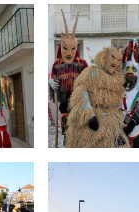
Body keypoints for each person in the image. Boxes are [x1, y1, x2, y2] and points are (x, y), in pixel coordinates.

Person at [65, 47, 128, 148]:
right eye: (112, 57)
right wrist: (88, 115)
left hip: (112, 125)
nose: (116, 62)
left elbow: (117, 103)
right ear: (105, 57)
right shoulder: (92, 72)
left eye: (119, 60)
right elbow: (81, 93)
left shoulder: (118, 78)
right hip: (93, 123)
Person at [50, 10, 88, 142]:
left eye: (73, 49)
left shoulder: (82, 64)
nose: (69, 52)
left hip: (79, 105)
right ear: (60, 47)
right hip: (65, 105)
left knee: (80, 133)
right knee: (68, 135)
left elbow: (89, 82)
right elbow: (53, 82)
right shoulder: (56, 65)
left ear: (77, 48)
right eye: (65, 48)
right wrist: (52, 84)